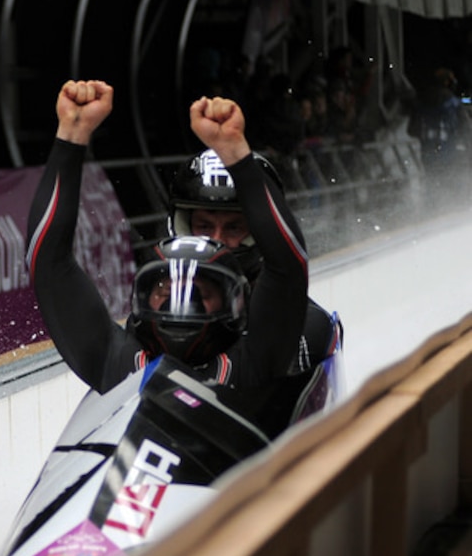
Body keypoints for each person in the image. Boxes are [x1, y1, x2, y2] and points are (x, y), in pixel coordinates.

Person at [27, 79, 308, 399]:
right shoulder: (118, 361)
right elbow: (49, 263)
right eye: (167, 289)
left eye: (202, 291)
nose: (182, 304)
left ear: (234, 305)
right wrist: (72, 134)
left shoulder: (257, 357)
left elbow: (288, 265)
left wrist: (236, 154)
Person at [168, 145, 342, 376]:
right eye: (204, 226)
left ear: (259, 232)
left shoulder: (307, 327)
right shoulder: (155, 312)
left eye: (234, 227)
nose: (217, 241)